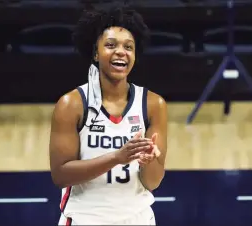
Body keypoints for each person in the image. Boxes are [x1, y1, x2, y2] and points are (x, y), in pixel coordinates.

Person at [49, 5, 168, 226]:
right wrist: (116, 157)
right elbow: (61, 175)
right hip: (86, 219)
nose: (121, 52)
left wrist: (149, 162)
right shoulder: (71, 104)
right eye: (111, 45)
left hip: (138, 219)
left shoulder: (153, 104)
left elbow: (152, 182)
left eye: (129, 47)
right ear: (95, 52)